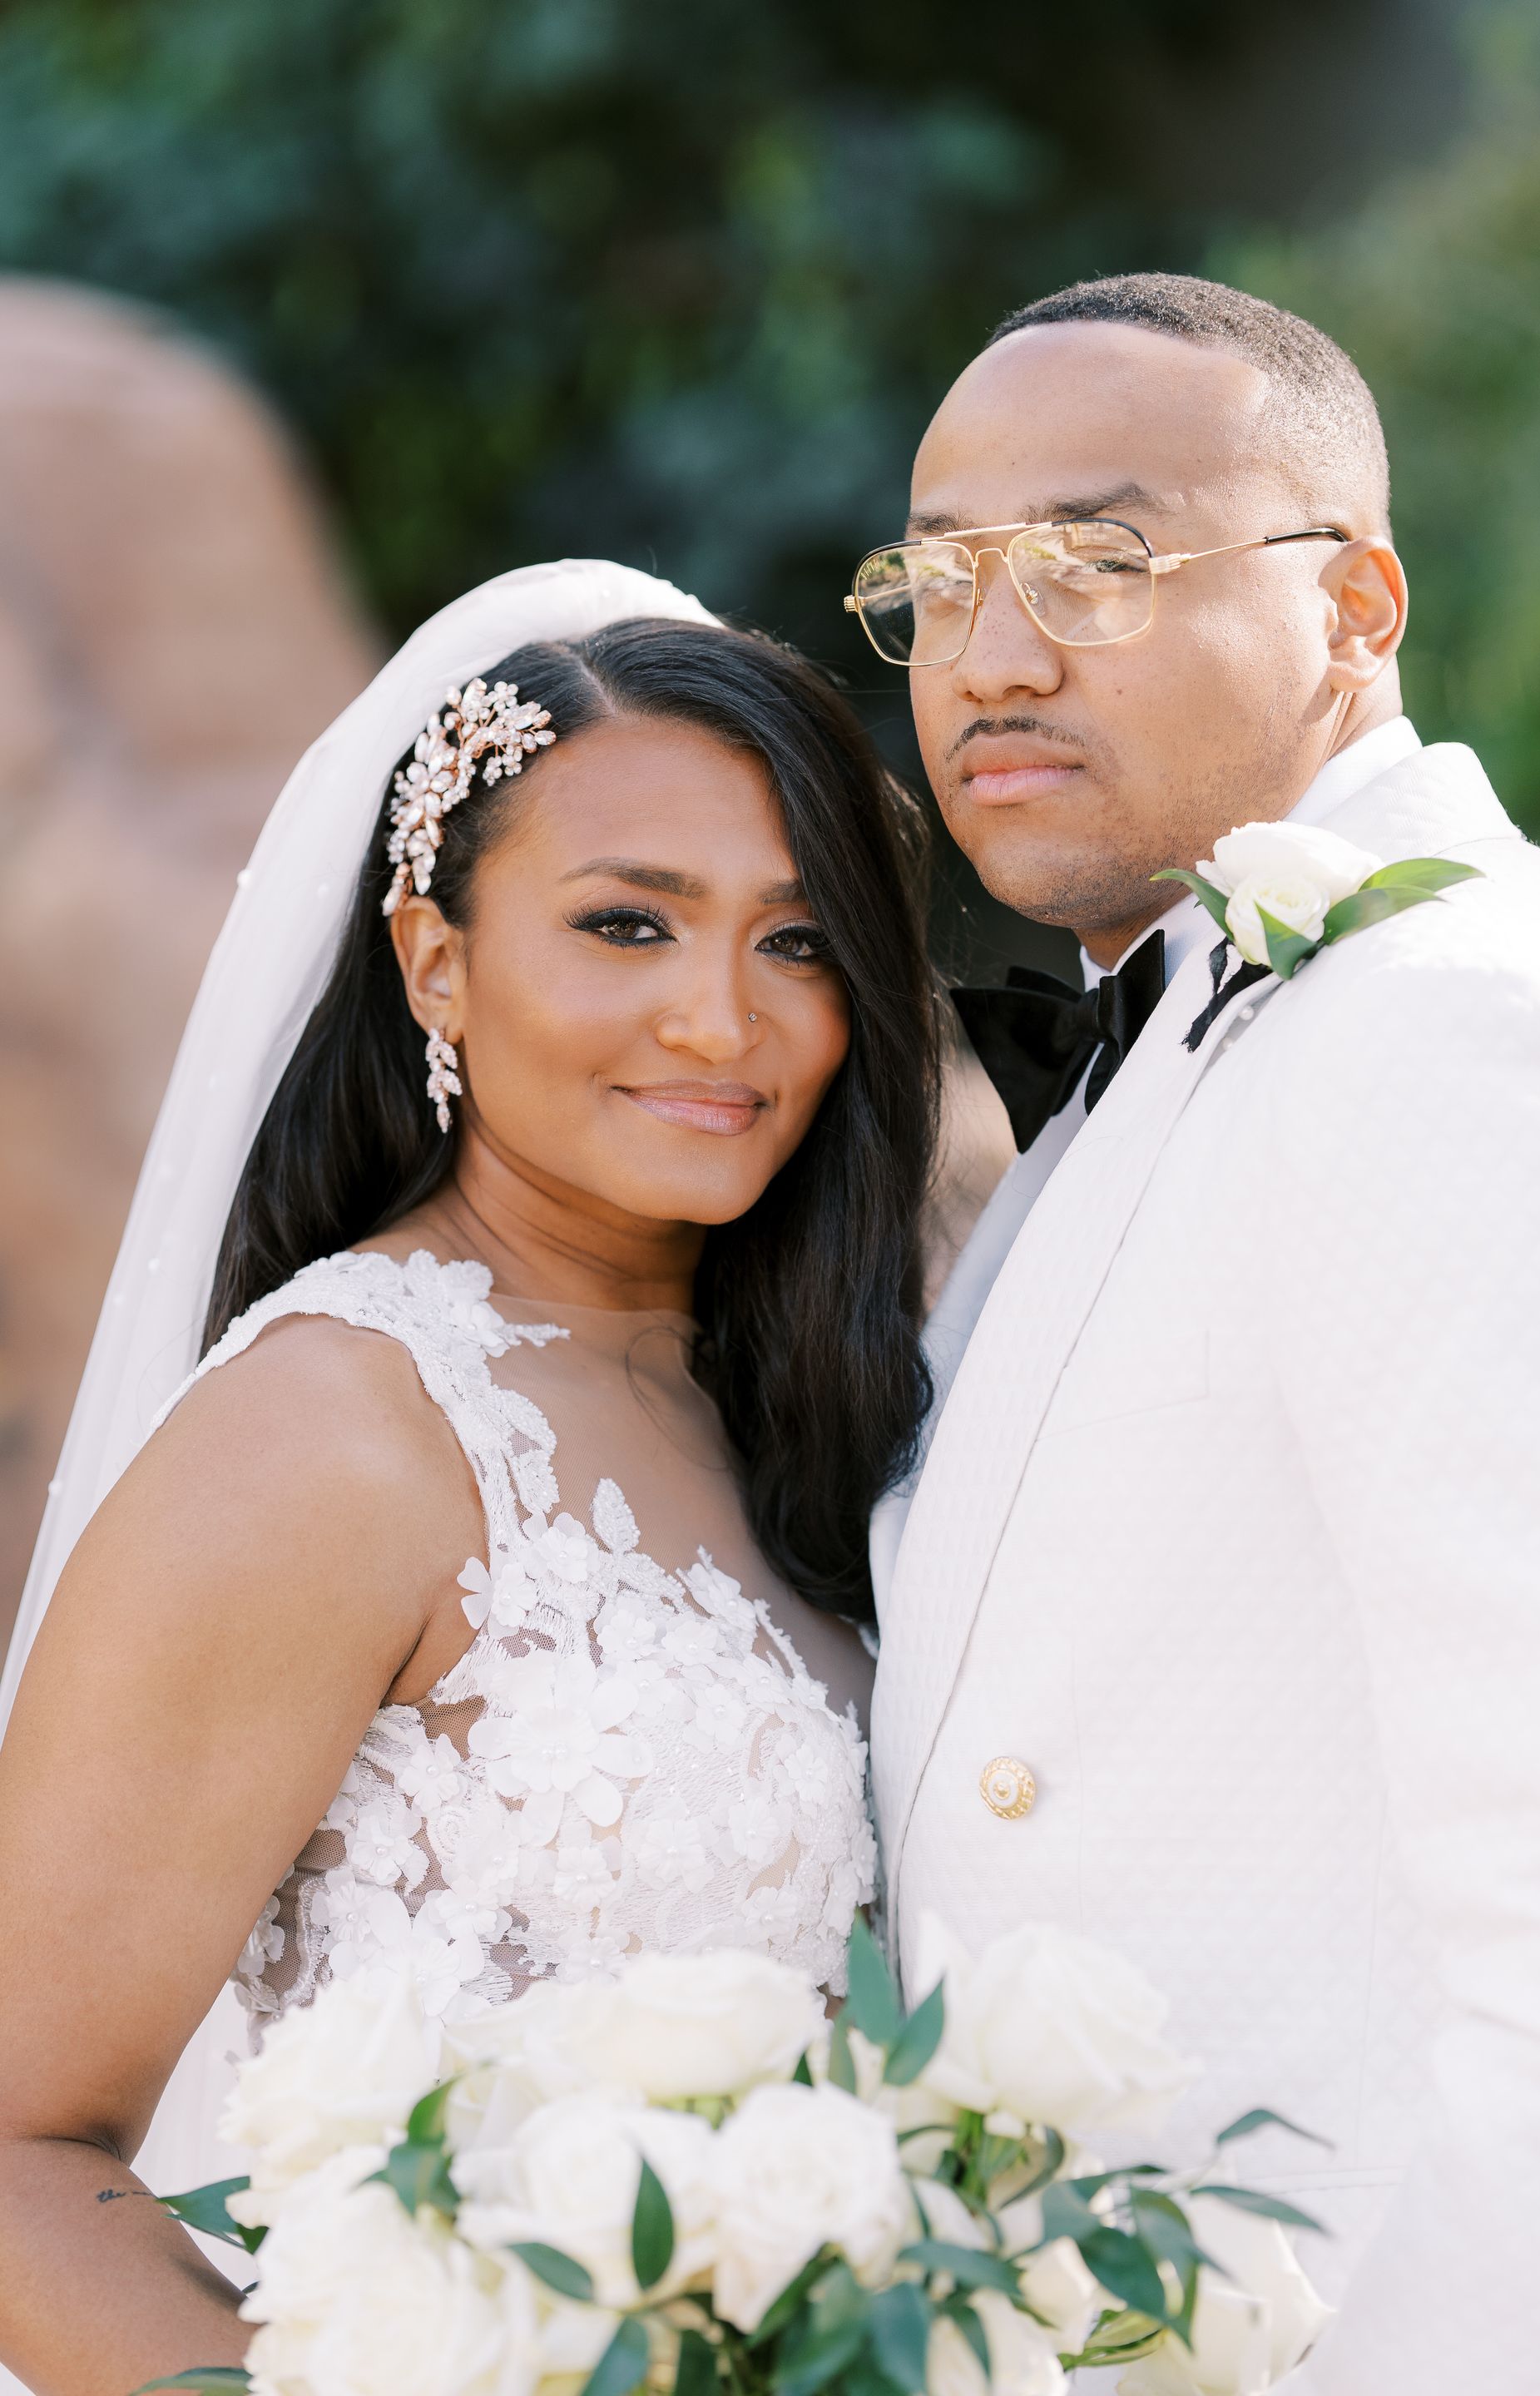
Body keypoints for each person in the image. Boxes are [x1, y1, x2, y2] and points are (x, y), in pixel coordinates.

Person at [0, 561, 938, 2396]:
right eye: (627, 926)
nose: (723, 1022)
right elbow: (16, 2152)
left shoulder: (826, 1404)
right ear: (436, 959)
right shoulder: (333, 1435)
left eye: (800, 941)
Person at [861, 275, 1540, 2393]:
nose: (995, 657)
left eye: (1096, 565)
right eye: (940, 584)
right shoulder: (1170, 1038)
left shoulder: (1459, 1023)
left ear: (1356, 605)